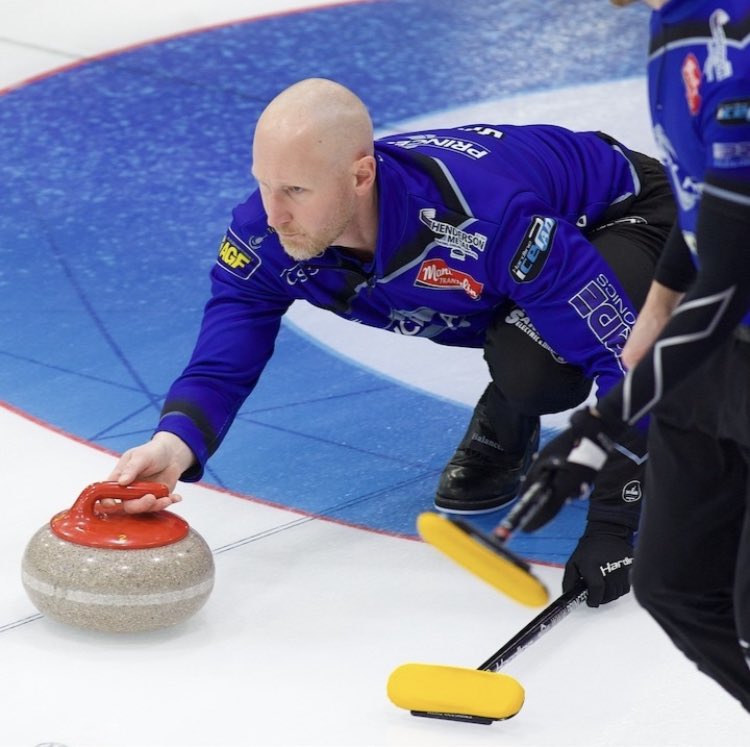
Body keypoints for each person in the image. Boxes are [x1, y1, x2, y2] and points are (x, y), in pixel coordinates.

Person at [108, 77, 676, 607]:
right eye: (263, 183)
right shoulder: (265, 233)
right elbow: (224, 355)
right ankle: (518, 383)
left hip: (622, 216)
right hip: (511, 268)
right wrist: (174, 443)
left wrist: (615, 522)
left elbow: (626, 365)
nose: (274, 213)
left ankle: (512, 407)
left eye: (296, 190)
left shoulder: (488, 217)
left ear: (361, 176)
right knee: (528, 331)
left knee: (537, 366)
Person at [511, 0, 750, 711]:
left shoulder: (735, 36)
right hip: (718, 355)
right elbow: (703, 196)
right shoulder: (674, 20)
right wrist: (655, 307)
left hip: (727, 325)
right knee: (673, 582)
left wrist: (599, 427)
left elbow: (733, 270)